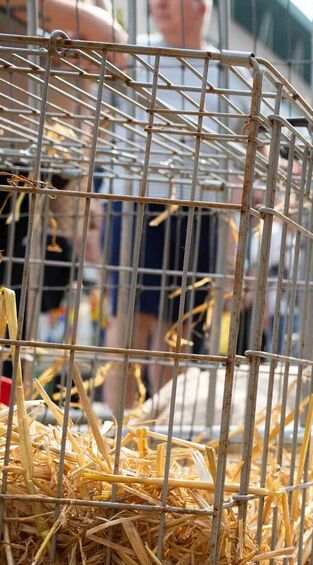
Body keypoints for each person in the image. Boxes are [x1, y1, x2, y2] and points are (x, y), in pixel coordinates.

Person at [103, 0, 222, 411]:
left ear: (200, 7)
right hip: (136, 203)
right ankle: (116, 437)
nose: (158, 5)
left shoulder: (227, 69)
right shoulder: (133, 54)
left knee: (178, 332)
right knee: (128, 323)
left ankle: (164, 437)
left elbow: (247, 147)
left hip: (198, 210)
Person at [0, 0, 126, 379]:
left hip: (49, 169)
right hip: (14, 153)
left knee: (25, 299)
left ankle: (9, 410)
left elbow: (115, 43)